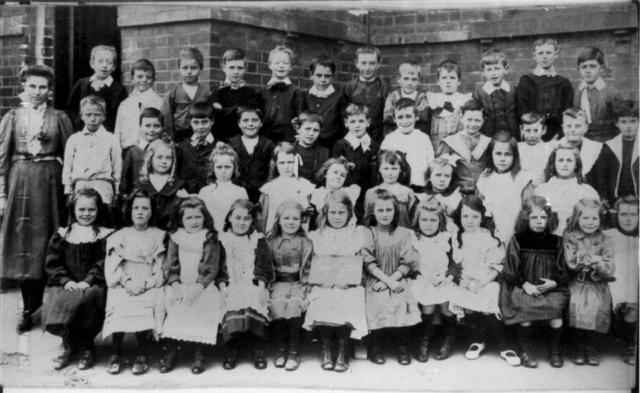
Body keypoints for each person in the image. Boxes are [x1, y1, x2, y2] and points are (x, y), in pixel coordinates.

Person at [0, 64, 73, 334]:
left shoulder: (59, 118)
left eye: (43, 87)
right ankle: (28, 308)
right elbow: (2, 159)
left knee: (48, 242)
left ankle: (48, 306)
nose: (37, 92)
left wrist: (69, 193)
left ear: (50, 90)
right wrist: (2, 194)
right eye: (32, 86)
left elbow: (70, 157)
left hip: (49, 182)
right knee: (23, 242)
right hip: (20, 182)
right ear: (24, 87)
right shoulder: (13, 117)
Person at [42, 189, 112, 371]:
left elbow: (103, 262)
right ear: (73, 210)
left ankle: (87, 346)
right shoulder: (63, 234)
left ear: (98, 210)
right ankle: (69, 345)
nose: (86, 214)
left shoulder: (104, 235)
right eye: (81, 209)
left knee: (90, 298)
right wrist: (66, 281)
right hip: (68, 283)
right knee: (61, 298)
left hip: (93, 283)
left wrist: (88, 280)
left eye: (91, 210)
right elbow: (53, 263)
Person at [158, 196, 227, 374]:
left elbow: (211, 267)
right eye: (189, 218)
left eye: (198, 217)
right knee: (175, 305)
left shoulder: (210, 237)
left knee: (204, 305)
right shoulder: (175, 237)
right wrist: (175, 285)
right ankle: (171, 352)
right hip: (180, 284)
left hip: (203, 285)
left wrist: (199, 287)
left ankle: (199, 352)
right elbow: (171, 265)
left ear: (205, 218)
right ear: (181, 219)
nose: (194, 221)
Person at [303, 190, 369, 372]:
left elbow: (360, 263)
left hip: (349, 283)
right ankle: (326, 349)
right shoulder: (317, 235)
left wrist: (350, 280)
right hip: (323, 283)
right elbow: (312, 264)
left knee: (348, 299)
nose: (337, 217)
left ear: (349, 212)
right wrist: (321, 281)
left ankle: (342, 349)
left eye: (341, 212)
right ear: (325, 213)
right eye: (332, 213)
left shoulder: (356, 234)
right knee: (323, 298)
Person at [499, 196, 569, 368]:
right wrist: (525, 284)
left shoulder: (556, 241)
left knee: (556, 318)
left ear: (549, 219)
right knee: (526, 316)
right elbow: (510, 270)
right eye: (534, 217)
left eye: (543, 217)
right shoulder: (518, 240)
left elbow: (563, 270)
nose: (539, 221)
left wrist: (554, 283)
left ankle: (555, 351)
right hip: (524, 287)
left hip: (551, 289)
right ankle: (525, 351)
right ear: (526, 218)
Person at [102, 190, 166, 375]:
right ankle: (115, 352)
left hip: (148, 280)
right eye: (136, 208)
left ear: (152, 212)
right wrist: (127, 282)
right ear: (129, 211)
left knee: (148, 302)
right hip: (125, 281)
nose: (140, 212)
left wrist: (147, 283)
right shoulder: (119, 236)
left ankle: (141, 353)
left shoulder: (159, 235)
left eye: (145, 208)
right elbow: (113, 266)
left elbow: (160, 266)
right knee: (120, 301)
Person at [447, 196, 515, 364]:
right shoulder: (456, 237)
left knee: (488, 295)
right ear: (459, 217)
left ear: (482, 217)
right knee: (462, 298)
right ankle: (477, 340)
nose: (470, 221)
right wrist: (461, 281)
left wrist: (481, 283)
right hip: (463, 281)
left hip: (486, 279)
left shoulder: (488, 237)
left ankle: (503, 345)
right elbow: (454, 263)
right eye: (465, 216)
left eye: (475, 216)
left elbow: (497, 267)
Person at [361, 188, 421, 365]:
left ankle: (402, 346)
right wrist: (386, 281)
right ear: (373, 211)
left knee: (401, 298)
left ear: (396, 211)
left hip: (397, 277)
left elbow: (407, 262)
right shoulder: (369, 232)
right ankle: (376, 346)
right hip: (375, 277)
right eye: (380, 210)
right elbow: (368, 262)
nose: (385, 214)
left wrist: (392, 281)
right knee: (376, 301)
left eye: (389, 210)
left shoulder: (403, 233)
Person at [219, 199, 274, 370]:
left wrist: (262, 287)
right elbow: (218, 267)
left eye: (246, 219)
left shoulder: (257, 239)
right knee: (231, 301)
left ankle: (257, 349)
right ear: (229, 218)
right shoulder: (222, 240)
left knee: (255, 300)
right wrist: (222, 288)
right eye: (238, 218)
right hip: (229, 283)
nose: (242, 222)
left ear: (252, 221)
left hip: (254, 284)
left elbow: (264, 266)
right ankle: (232, 349)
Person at [564, 198, 615, 366]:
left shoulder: (605, 240)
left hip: (598, 284)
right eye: (585, 218)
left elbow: (609, 268)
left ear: (601, 220)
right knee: (577, 308)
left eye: (595, 218)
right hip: (578, 284)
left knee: (597, 308)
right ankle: (579, 347)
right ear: (577, 218)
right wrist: (594, 258)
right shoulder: (571, 237)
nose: (590, 222)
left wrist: (599, 263)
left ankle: (591, 347)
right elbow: (571, 262)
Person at [409, 197, 459, 362]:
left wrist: (448, 277)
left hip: (443, 278)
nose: (428, 224)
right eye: (424, 219)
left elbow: (454, 262)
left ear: (440, 221)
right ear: (418, 219)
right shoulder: (414, 238)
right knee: (428, 306)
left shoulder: (446, 237)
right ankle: (424, 338)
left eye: (433, 220)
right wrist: (423, 276)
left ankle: (448, 337)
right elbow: (410, 263)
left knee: (447, 306)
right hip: (422, 279)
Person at [266, 200, 313, 371]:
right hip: (277, 283)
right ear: (278, 220)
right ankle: (281, 349)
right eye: (286, 218)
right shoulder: (271, 242)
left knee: (294, 307)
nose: (291, 222)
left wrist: (306, 287)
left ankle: (293, 351)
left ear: (301, 221)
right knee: (278, 307)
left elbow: (308, 266)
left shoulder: (305, 242)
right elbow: (266, 266)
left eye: (295, 218)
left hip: (298, 283)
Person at [63, 95, 122, 210]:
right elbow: (68, 166)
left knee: (103, 216)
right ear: (81, 116)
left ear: (104, 116)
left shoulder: (111, 139)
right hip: (81, 184)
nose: (93, 119)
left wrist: (117, 189)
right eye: (88, 114)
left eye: (97, 114)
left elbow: (117, 165)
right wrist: (68, 189)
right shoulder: (74, 139)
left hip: (103, 185)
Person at [476, 131, 534, 243]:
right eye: (498, 153)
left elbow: (530, 211)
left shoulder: (522, 178)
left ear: (515, 155)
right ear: (491, 154)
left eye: (507, 154)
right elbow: (478, 207)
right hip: (490, 233)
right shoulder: (485, 177)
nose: (502, 159)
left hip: (515, 233)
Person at [515, 38, 573, 141]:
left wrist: (558, 137)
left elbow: (567, 113)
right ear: (535, 56)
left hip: (556, 135)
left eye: (548, 52)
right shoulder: (527, 81)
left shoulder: (564, 83)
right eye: (540, 53)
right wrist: (533, 135)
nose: (544, 56)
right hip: (532, 135)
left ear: (556, 54)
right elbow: (522, 111)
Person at [535, 144, 599, 236]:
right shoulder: (541, 191)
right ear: (554, 163)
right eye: (560, 160)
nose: (565, 164)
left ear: (576, 164)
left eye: (569, 160)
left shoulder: (588, 191)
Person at [604, 196, 638, 365]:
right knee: (632, 310)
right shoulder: (608, 236)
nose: (629, 219)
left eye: (634, 214)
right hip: (618, 294)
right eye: (624, 214)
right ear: (616, 215)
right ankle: (632, 346)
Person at [331, 104, 380, 222]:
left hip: (367, 192)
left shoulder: (374, 146)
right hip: (348, 191)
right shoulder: (341, 145)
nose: (357, 125)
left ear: (368, 123)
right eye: (352, 121)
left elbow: (376, 171)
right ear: (346, 123)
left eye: (361, 121)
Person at [66, 45, 128, 132]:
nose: (104, 65)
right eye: (100, 61)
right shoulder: (83, 84)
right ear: (92, 63)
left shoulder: (119, 89)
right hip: (83, 132)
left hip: (107, 134)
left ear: (114, 67)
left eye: (109, 62)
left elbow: (121, 115)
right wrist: (79, 123)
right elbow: (70, 109)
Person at [590, 100, 639, 206]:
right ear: (617, 123)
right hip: (616, 200)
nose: (628, 126)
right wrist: (605, 198)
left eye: (633, 121)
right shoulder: (610, 147)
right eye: (624, 122)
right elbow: (601, 176)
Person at [380, 98, 435, 192]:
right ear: (394, 119)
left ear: (416, 117)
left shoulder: (423, 138)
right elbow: (383, 165)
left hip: (420, 186)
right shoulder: (389, 139)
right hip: (396, 188)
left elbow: (430, 163)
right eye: (400, 117)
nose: (405, 121)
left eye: (408, 116)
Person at [258, 142, 315, 233]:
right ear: (275, 164)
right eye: (282, 163)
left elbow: (308, 215)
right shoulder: (269, 188)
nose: (286, 166)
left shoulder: (304, 185)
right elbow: (263, 216)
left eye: (290, 162)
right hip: (275, 232)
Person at [437, 100, 492, 194]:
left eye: (477, 120)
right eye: (469, 120)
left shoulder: (488, 142)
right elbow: (440, 169)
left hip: (483, 191)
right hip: (456, 192)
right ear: (462, 118)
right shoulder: (450, 142)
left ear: (483, 121)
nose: (473, 124)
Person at [209, 48, 263, 142]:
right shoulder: (216, 94)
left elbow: (250, 116)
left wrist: (224, 111)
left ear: (245, 69)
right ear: (223, 67)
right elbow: (215, 117)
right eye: (231, 67)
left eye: (240, 68)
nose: (236, 72)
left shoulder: (252, 94)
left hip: (244, 142)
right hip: (221, 141)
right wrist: (238, 109)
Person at [136, 137, 188, 230]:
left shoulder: (178, 185)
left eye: (168, 158)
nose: (164, 161)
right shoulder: (141, 184)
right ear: (150, 158)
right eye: (159, 157)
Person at [573, 46, 623, 142]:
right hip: (583, 143)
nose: (588, 70)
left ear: (602, 68)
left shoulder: (612, 94)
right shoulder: (577, 92)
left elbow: (619, 127)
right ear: (578, 69)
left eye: (593, 66)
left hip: (606, 143)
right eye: (584, 67)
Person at [161, 47, 210, 143]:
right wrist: (171, 139)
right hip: (179, 137)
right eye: (185, 68)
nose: (189, 71)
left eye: (193, 68)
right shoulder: (173, 93)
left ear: (200, 68)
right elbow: (166, 118)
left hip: (201, 136)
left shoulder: (205, 93)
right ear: (179, 69)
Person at [228, 106, 275, 203]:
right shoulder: (232, 144)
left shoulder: (268, 144)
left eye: (254, 120)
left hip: (262, 193)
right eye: (245, 120)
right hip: (237, 194)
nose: (250, 124)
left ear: (261, 123)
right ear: (239, 123)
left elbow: (271, 171)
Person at [198, 143, 248, 233]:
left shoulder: (240, 191)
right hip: (210, 235)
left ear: (234, 168)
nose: (223, 171)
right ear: (213, 169)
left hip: (231, 235)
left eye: (227, 167)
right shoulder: (205, 191)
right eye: (219, 167)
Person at [114, 58, 163, 150]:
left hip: (152, 150)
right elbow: (118, 132)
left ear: (153, 79)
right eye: (140, 76)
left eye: (148, 77)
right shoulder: (125, 104)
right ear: (132, 78)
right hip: (128, 150)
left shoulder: (159, 102)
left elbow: (163, 129)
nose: (144, 80)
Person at [344, 46, 389, 143]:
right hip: (354, 136)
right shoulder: (350, 87)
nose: (367, 68)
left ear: (378, 64)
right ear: (357, 64)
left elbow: (386, 115)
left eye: (372, 63)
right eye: (363, 63)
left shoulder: (383, 87)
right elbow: (345, 114)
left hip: (377, 136)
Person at [260, 45, 304, 143]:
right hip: (265, 140)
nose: (281, 66)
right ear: (270, 65)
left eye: (285, 63)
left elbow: (299, 119)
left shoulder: (296, 92)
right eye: (277, 63)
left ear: (291, 67)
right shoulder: (262, 91)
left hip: (287, 141)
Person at [119, 107, 165, 200]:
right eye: (147, 126)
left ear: (162, 127)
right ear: (140, 127)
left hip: (161, 196)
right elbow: (125, 179)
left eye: (156, 126)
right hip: (138, 197)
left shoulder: (165, 150)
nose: (152, 130)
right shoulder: (132, 151)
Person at [303, 55, 347, 148]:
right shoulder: (305, 95)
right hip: (307, 144)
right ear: (311, 75)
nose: (323, 79)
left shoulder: (340, 98)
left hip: (330, 146)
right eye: (319, 75)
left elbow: (344, 127)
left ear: (333, 77)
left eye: (327, 76)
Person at [364, 150, 417, 228]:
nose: (390, 173)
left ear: (400, 170)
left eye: (394, 168)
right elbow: (367, 219)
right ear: (379, 169)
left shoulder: (407, 192)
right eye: (386, 168)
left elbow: (413, 219)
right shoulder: (371, 192)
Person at [427, 59, 472, 150]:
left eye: (452, 78)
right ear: (438, 81)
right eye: (444, 78)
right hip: (436, 147)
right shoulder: (433, 99)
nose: (448, 81)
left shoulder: (464, 99)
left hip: (457, 147)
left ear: (459, 81)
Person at [472, 48, 518, 138]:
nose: (493, 73)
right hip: (489, 136)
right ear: (484, 72)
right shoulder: (480, 91)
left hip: (511, 136)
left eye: (497, 68)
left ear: (506, 69)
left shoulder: (513, 90)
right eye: (489, 70)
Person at [175, 102, 218, 191]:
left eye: (205, 122)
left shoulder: (219, 146)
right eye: (196, 122)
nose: (200, 127)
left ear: (212, 121)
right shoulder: (182, 146)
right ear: (190, 122)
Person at [309, 157, 360, 225]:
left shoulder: (349, 193)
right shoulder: (317, 193)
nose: (339, 177)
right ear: (325, 174)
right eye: (335, 172)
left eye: (343, 175)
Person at [557, 107, 603, 182]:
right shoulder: (553, 148)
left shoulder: (598, 149)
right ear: (563, 128)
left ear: (586, 128)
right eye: (568, 126)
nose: (573, 130)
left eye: (577, 126)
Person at [383, 62, 429, 135]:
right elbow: (387, 116)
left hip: (416, 135)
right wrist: (412, 114)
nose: (409, 83)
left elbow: (423, 116)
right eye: (406, 78)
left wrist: (400, 114)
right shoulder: (393, 96)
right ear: (399, 79)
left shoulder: (422, 96)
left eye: (414, 79)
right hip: (396, 134)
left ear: (419, 81)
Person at [517, 111, 558, 185]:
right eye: (528, 130)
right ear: (521, 129)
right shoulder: (517, 148)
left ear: (544, 130)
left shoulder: (549, 149)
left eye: (536, 130)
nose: (532, 135)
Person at [292, 111, 329, 186]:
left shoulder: (324, 153)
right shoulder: (290, 150)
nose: (311, 133)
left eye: (316, 130)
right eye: (307, 129)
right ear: (298, 129)